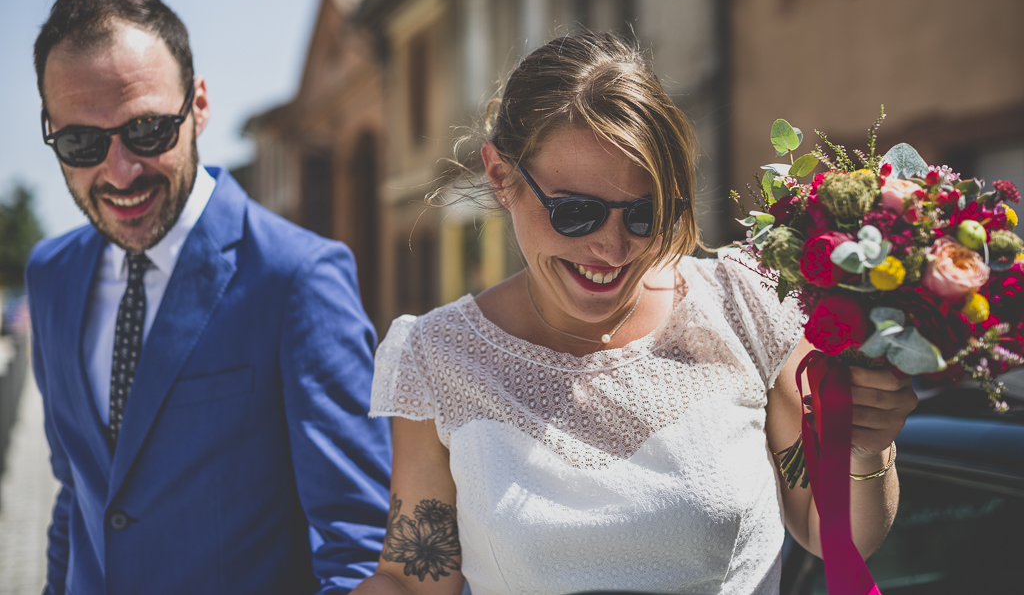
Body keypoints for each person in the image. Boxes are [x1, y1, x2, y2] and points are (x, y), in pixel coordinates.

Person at [358, 32, 917, 595]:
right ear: (502, 177)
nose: (614, 248)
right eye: (577, 213)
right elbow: (412, 581)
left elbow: (834, 534)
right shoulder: (439, 356)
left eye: (646, 213)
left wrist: (868, 444)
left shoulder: (746, 308)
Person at [25, 0, 391, 595]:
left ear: (197, 105)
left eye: (146, 131)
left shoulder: (298, 278)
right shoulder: (51, 273)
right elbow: (80, 496)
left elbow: (362, 542)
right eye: (82, 142)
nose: (120, 171)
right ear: (52, 132)